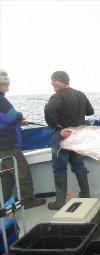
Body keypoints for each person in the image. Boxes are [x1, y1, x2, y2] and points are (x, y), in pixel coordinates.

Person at [44, 71, 94, 210]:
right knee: (79, 165)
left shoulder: (57, 96)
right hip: (77, 137)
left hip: (63, 136)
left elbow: (48, 111)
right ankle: (86, 195)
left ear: (62, 81)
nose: (52, 82)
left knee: (59, 169)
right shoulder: (80, 94)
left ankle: (60, 202)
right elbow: (90, 111)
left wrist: (57, 128)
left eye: (54, 79)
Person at [0, 69, 46, 209]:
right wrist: (20, 117)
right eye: (6, 84)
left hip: (2, 147)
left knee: (5, 178)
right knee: (22, 173)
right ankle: (28, 200)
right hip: (8, 146)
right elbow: (12, 116)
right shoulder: (1, 100)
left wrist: (17, 120)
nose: (8, 87)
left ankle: (4, 205)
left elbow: (4, 119)